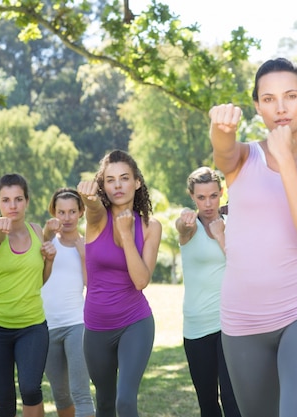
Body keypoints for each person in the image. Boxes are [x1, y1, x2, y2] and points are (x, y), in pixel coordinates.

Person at [208, 57, 297, 417]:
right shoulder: (244, 157)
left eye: (290, 96)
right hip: (241, 318)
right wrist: (221, 128)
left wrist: (285, 159)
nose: (281, 107)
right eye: (268, 99)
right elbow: (223, 152)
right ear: (257, 107)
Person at [77, 149, 161, 417]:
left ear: (137, 182)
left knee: (125, 401)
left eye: (124, 178)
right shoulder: (98, 218)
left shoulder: (150, 226)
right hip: (97, 326)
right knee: (105, 403)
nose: (118, 185)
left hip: (135, 322)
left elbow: (140, 281)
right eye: (110, 180)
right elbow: (93, 208)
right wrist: (88, 198)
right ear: (103, 186)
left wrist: (126, 236)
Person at [0, 173, 56, 417]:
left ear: (27, 202)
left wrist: (50, 261)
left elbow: (39, 280)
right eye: (6, 200)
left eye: (18, 199)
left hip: (32, 326)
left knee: (31, 389)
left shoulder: (36, 231)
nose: (12, 206)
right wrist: (0, 231)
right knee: (4, 402)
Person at [175, 167, 240, 417]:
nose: (208, 203)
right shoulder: (189, 227)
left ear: (222, 193)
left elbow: (243, 267)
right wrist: (184, 220)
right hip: (196, 327)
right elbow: (182, 227)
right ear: (192, 196)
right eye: (201, 198)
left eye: (213, 195)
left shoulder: (233, 224)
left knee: (233, 401)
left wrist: (221, 236)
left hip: (229, 325)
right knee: (208, 405)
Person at [41, 188, 95, 417]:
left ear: (81, 212)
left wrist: (83, 254)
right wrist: (45, 236)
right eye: (61, 212)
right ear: (53, 213)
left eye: (72, 211)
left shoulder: (88, 244)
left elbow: (90, 285)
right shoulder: (46, 242)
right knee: (60, 395)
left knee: (80, 392)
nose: (67, 217)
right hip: (46, 326)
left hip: (76, 324)